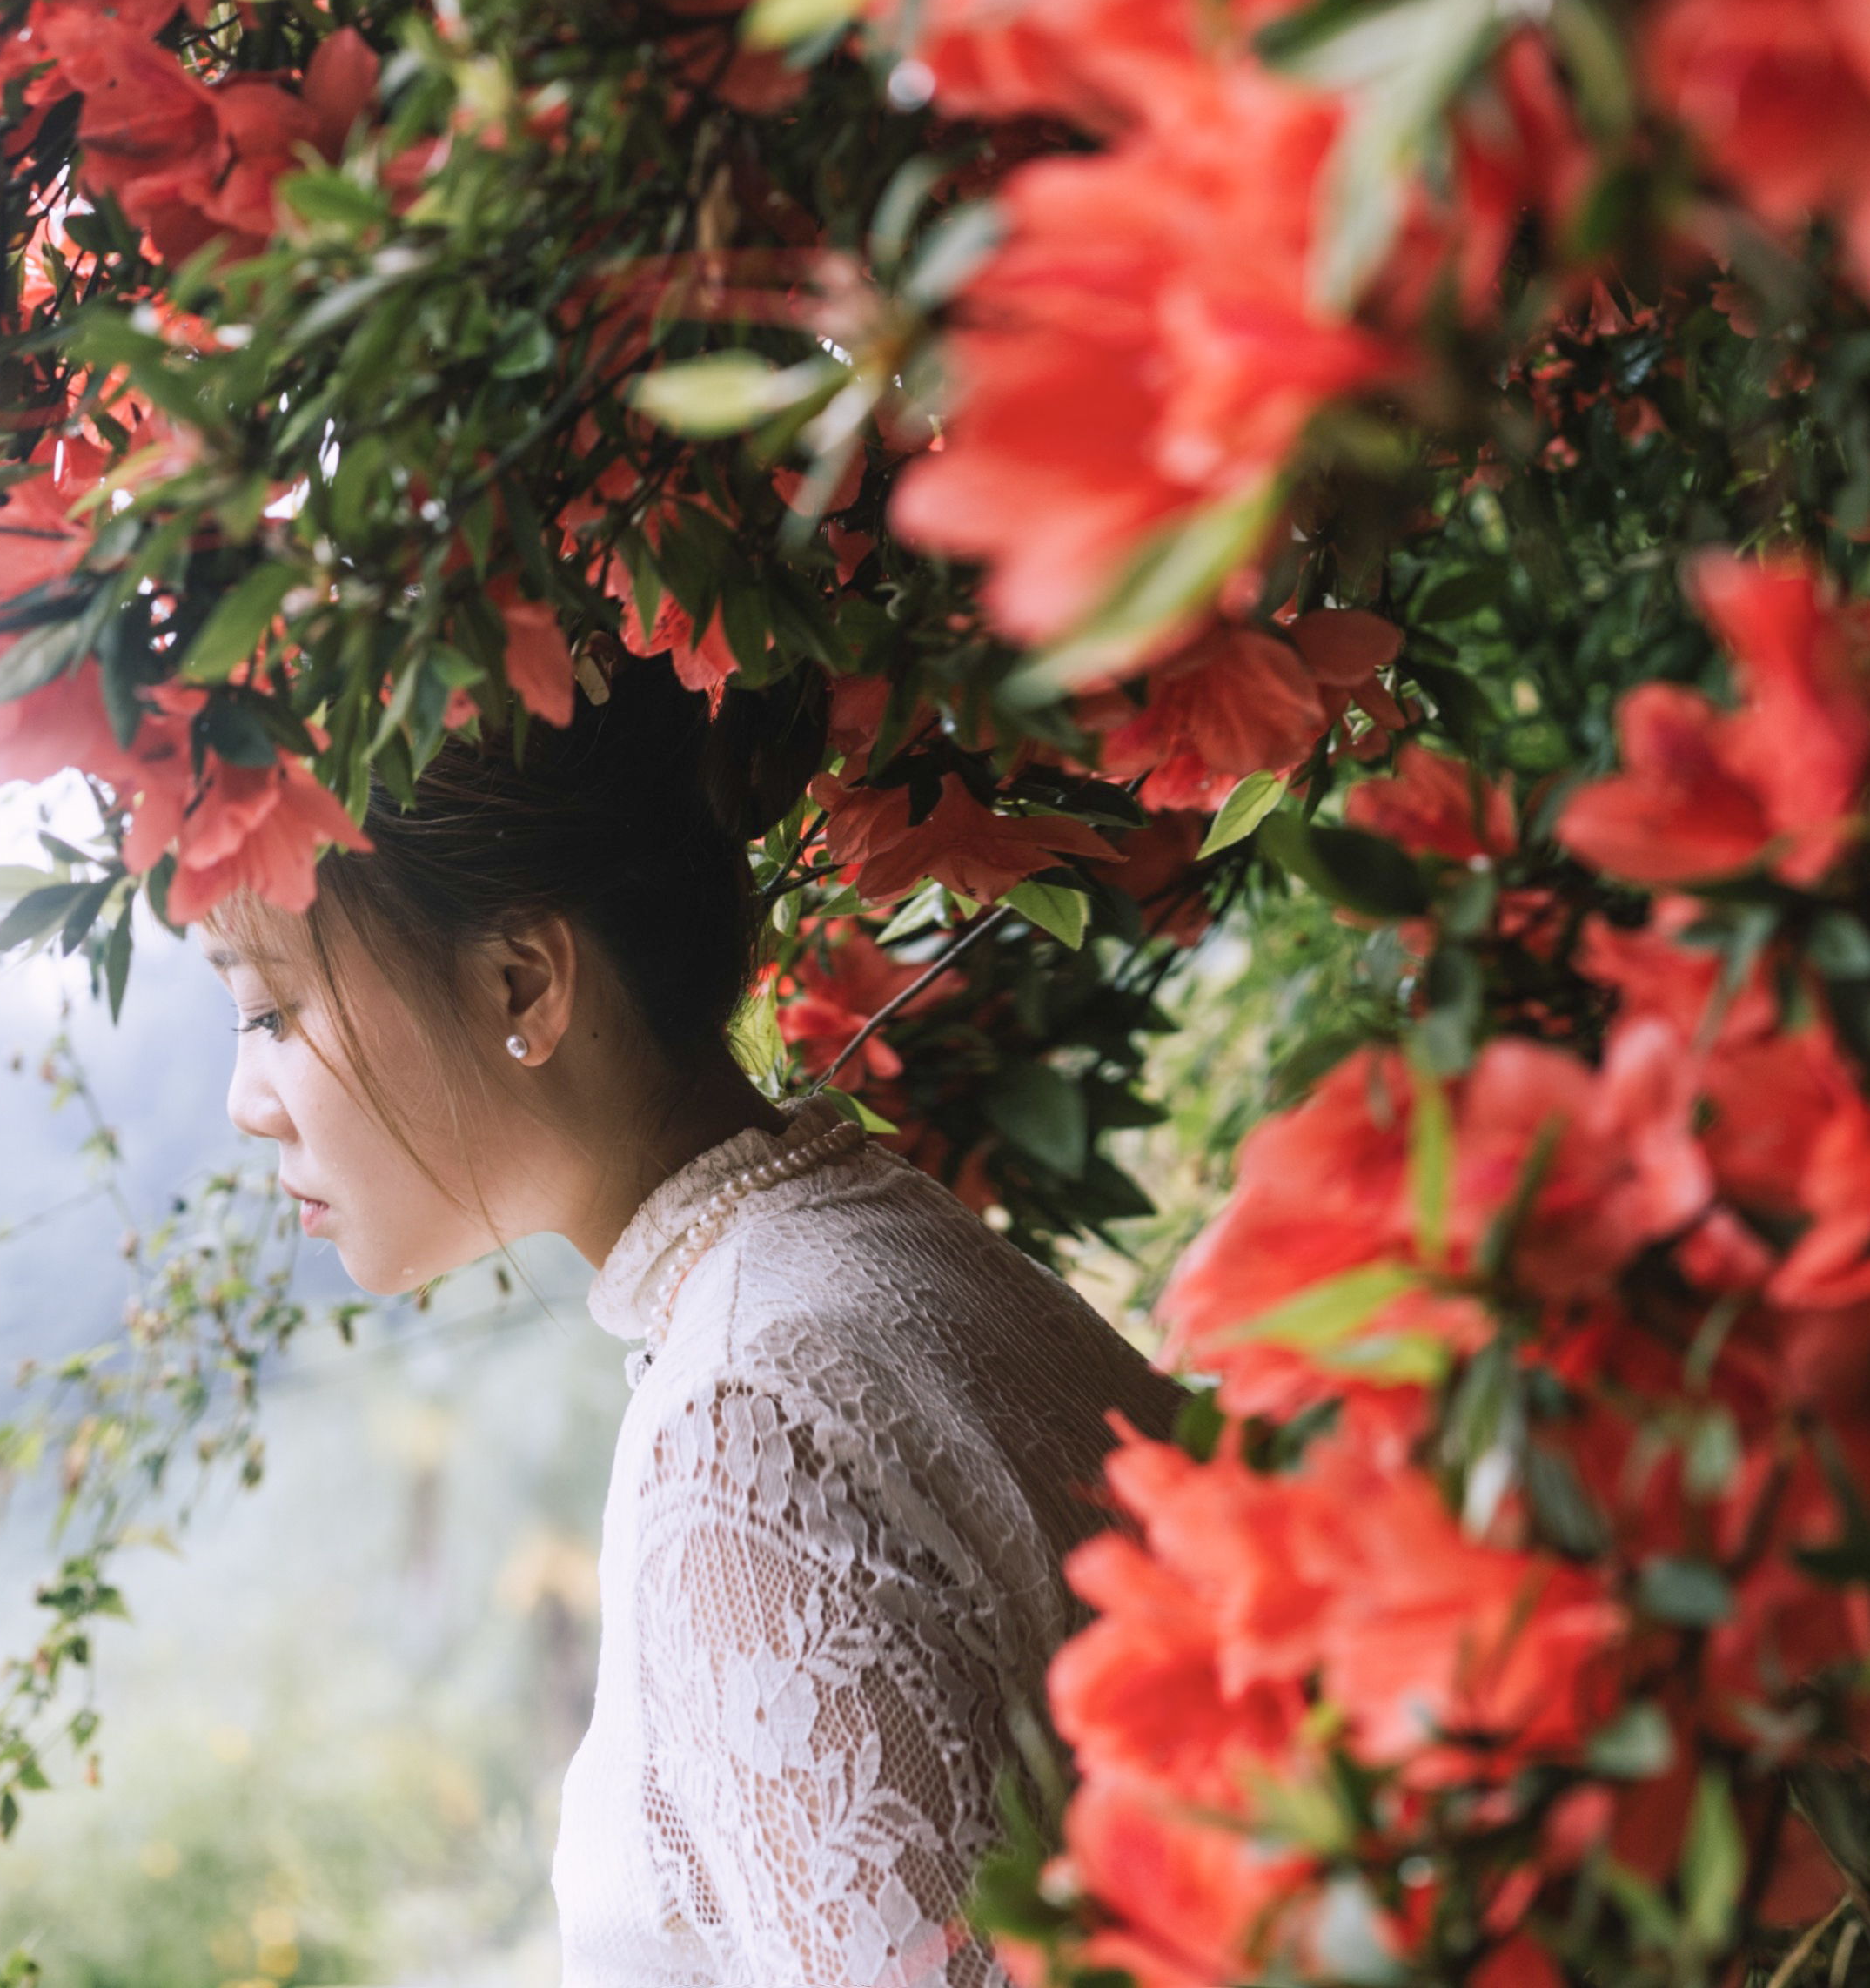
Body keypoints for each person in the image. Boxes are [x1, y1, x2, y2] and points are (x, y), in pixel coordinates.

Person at [210, 656, 1175, 1987]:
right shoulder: (871, 1251)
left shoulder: (750, 1426)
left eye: (272, 1010)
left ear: (522, 986)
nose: (245, 1102)